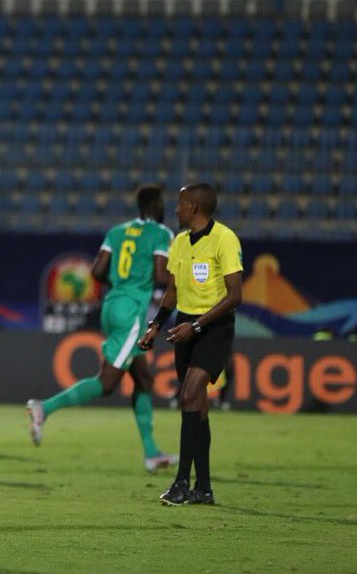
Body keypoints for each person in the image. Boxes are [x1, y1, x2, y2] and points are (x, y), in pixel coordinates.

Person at [26, 186, 178, 472]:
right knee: (107, 383)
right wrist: (179, 275)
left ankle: (151, 453)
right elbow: (160, 275)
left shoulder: (117, 231)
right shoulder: (161, 233)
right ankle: (44, 408)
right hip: (132, 310)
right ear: (156, 205)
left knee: (144, 379)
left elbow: (96, 272)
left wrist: (123, 278)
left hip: (111, 305)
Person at [138, 183, 242, 506]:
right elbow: (171, 292)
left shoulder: (225, 238)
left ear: (194, 207)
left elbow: (235, 296)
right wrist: (155, 326)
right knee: (197, 408)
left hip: (213, 327)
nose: (176, 210)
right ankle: (205, 488)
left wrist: (196, 325)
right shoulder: (180, 242)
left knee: (190, 393)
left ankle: (181, 483)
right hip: (184, 324)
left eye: (181, 204)